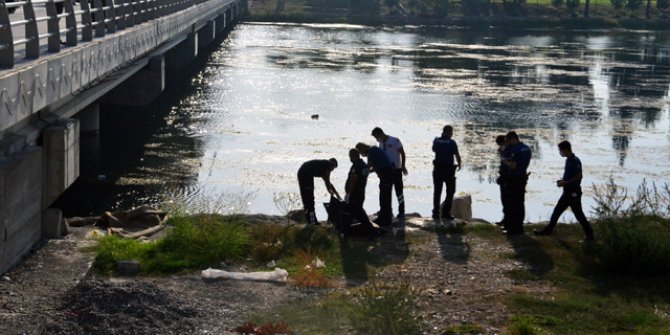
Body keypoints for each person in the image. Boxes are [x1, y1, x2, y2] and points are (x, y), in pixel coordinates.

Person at [534, 141, 594, 241]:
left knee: (578, 214)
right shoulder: (568, 160)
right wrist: (562, 182)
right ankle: (548, 230)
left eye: (560, 150)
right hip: (567, 192)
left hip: (573, 193)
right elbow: (570, 176)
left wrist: (566, 183)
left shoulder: (575, 160)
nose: (560, 152)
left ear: (565, 149)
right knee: (557, 211)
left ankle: (590, 234)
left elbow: (579, 176)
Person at [371, 127, 407, 218]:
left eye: (376, 137)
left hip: (396, 170)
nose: (376, 139)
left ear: (380, 133)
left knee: (399, 191)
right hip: (385, 172)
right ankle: (386, 211)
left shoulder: (395, 140)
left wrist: (403, 166)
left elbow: (402, 153)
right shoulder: (380, 143)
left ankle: (401, 212)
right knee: (385, 192)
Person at [355, 142, 394, 227]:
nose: (362, 154)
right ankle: (385, 215)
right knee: (385, 195)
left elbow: (369, 165)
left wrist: (362, 172)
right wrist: (367, 171)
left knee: (384, 196)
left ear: (363, 148)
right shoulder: (373, 150)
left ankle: (385, 218)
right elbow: (374, 167)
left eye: (361, 152)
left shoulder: (371, 151)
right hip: (387, 173)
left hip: (386, 173)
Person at [501, 131, 532, 235]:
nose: (508, 143)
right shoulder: (527, 148)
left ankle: (512, 229)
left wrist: (505, 160)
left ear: (512, 139)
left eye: (508, 141)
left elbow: (513, 166)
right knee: (520, 203)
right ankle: (519, 227)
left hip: (514, 179)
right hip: (523, 177)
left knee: (512, 203)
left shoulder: (515, 150)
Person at [342, 148, 378, 237]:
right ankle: (345, 232)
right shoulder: (364, 165)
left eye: (350, 157)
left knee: (357, 214)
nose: (350, 159)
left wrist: (348, 193)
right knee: (354, 213)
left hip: (354, 194)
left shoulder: (356, 166)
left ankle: (372, 232)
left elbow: (353, 180)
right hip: (361, 193)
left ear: (353, 156)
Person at [431, 125, 462, 221]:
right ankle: (446, 213)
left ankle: (436, 213)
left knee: (437, 191)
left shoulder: (436, 141)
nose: (452, 134)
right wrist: (460, 164)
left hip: (437, 169)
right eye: (451, 132)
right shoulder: (452, 142)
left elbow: (433, 149)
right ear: (449, 132)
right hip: (448, 170)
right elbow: (457, 155)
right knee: (450, 191)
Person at [297, 158, 340, 225]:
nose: (332, 170)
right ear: (333, 164)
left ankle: (310, 221)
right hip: (305, 174)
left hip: (303, 173)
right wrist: (330, 191)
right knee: (309, 200)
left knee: (307, 199)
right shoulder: (329, 164)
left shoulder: (323, 166)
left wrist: (337, 194)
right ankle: (312, 221)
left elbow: (328, 182)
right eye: (333, 168)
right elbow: (327, 182)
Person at [495, 135, 509, 227]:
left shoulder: (509, 151)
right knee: (504, 200)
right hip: (503, 178)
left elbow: (509, 166)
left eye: (500, 145)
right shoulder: (503, 151)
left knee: (507, 200)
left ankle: (507, 220)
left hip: (508, 179)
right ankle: (505, 219)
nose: (499, 147)